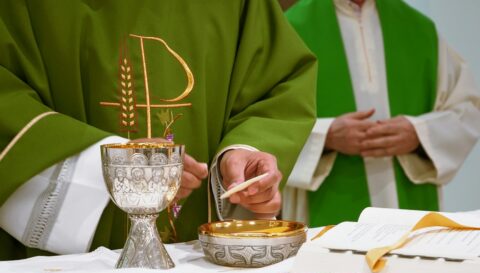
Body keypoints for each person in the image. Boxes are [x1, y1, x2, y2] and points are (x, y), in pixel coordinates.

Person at [0, 0, 317, 259]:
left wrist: (242, 154)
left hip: (202, 261)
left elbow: (276, 85)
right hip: (59, 266)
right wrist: (108, 167)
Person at [282, 0, 480, 226]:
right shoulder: (292, 28)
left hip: (408, 207)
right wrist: (325, 136)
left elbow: (468, 109)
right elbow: (265, 121)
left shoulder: (419, 27)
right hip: (324, 204)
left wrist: (419, 133)